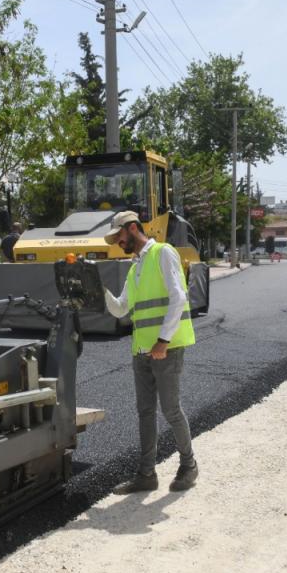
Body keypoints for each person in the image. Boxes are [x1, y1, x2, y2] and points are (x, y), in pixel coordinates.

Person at [102, 210, 199, 494]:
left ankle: (189, 465)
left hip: (165, 349)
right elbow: (121, 308)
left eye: (119, 235)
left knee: (170, 409)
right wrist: (99, 291)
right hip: (142, 351)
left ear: (133, 228)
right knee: (145, 412)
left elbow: (178, 298)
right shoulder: (135, 268)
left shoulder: (163, 253)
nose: (118, 242)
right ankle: (146, 475)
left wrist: (163, 341)